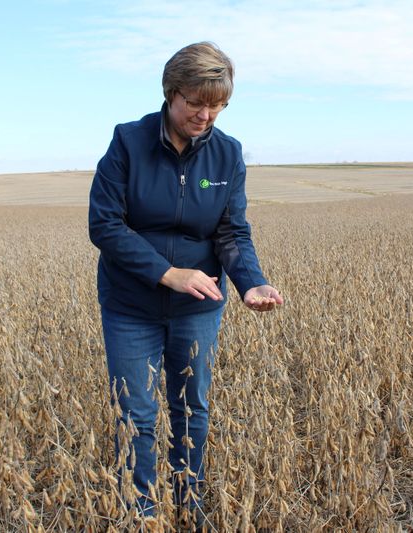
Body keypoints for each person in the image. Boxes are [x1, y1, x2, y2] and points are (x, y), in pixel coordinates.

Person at [88, 41, 283, 525]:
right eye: (195, 102)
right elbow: (105, 225)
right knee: (135, 415)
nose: (205, 114)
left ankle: (189, 505)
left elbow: (232, 231)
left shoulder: (227, 155)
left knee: (190, 408)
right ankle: (142, 513)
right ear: (170, 93)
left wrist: (250, 282)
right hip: (131, 305)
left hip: (198, 308)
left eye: (217, 105)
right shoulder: (128, 143)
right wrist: (168, 273)